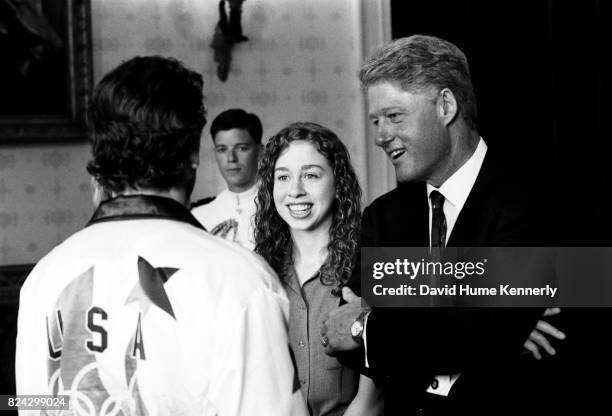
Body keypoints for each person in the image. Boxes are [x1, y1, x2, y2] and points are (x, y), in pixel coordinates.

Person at [16, 56, 306, 416]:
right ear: (192, 153)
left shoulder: (43, 277)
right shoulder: (237, 281)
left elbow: (31, 404)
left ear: (102, 155)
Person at [320, 35, 556, 415]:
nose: (381, 136)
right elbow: (342, 339)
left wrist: (365, 328)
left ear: (446, 106)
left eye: (395, 116)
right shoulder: (383, 218)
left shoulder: (534, 201)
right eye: (376, 121)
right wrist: (494, 328)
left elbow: (486, 330)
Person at [254, 122, 383, 416]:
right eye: (283, 177)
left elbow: (371, 400)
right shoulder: (259, 270)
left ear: (338, 184)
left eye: (311, 175)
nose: (295, 191)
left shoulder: (369, 264)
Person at [192, 108, 262, 249]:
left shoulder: (279, 208)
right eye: (222, 150)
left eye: (241, 148)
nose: (231, 158)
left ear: (260, 152)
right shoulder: (198, 215)